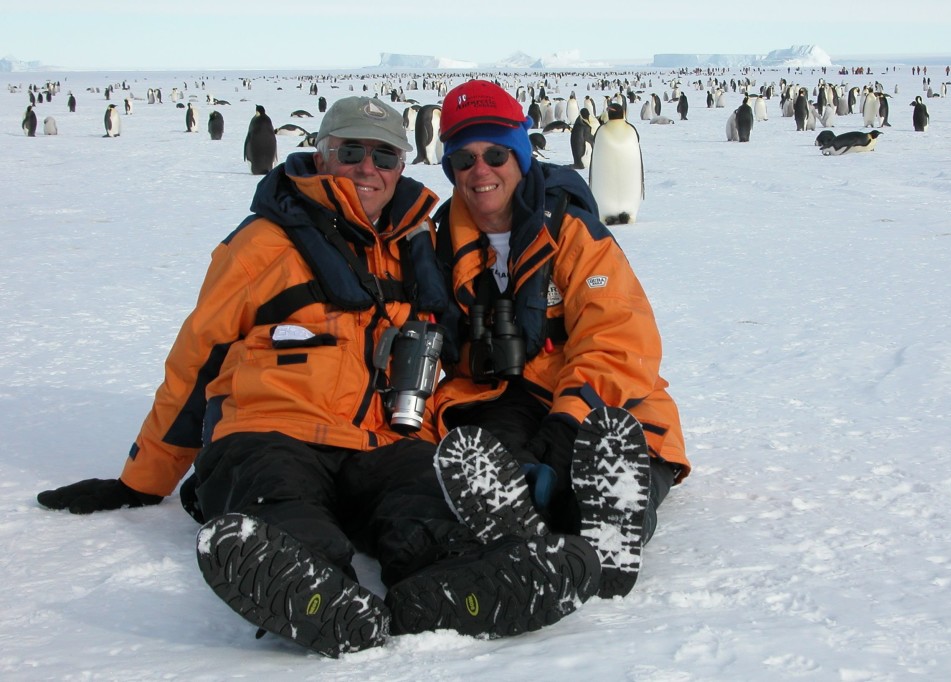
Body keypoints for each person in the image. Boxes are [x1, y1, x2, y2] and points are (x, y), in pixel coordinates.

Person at [36, 96, 601, 657]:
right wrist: (143, 479)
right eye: (350, 151)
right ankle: (315, 596)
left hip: (381, 439)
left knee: (425, 505)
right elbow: (196, 361)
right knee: (282, 507)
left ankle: (453, 587)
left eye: (383, 156)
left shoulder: (416, 247)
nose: (367, 168)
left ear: (402, 165)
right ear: (322, 152)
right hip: (271, 428)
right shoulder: (262, 243)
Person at [428, 80, 691, 599]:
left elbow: (617, 337)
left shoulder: (571, 232)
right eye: (464, 160)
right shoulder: (438, 242)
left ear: (522, 154)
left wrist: (569, 422)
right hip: (502, 397)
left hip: (600, 392)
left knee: (624, 444)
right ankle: (532, 523)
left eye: (496, 153)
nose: (481, 171)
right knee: (497, 463)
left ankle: (613, 521)